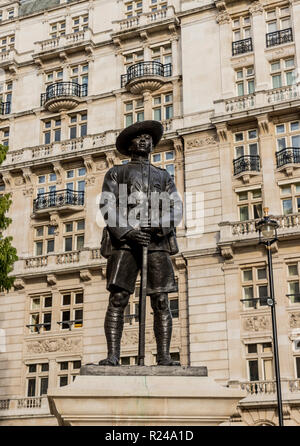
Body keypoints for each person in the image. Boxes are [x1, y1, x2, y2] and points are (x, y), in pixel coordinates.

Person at [99, 120, 182, 366]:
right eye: (139, 137)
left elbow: (175, 207)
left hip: (157, 243)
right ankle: (113, 355)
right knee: (118, 298)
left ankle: (164, 356)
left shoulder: (163, 176)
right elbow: (107, 205)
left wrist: (159, 226)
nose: (145, 141)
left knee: (161, 300)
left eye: (148, 138)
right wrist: (128, 231)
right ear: (130, 145)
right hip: (124, 243)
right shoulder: (116, 173)